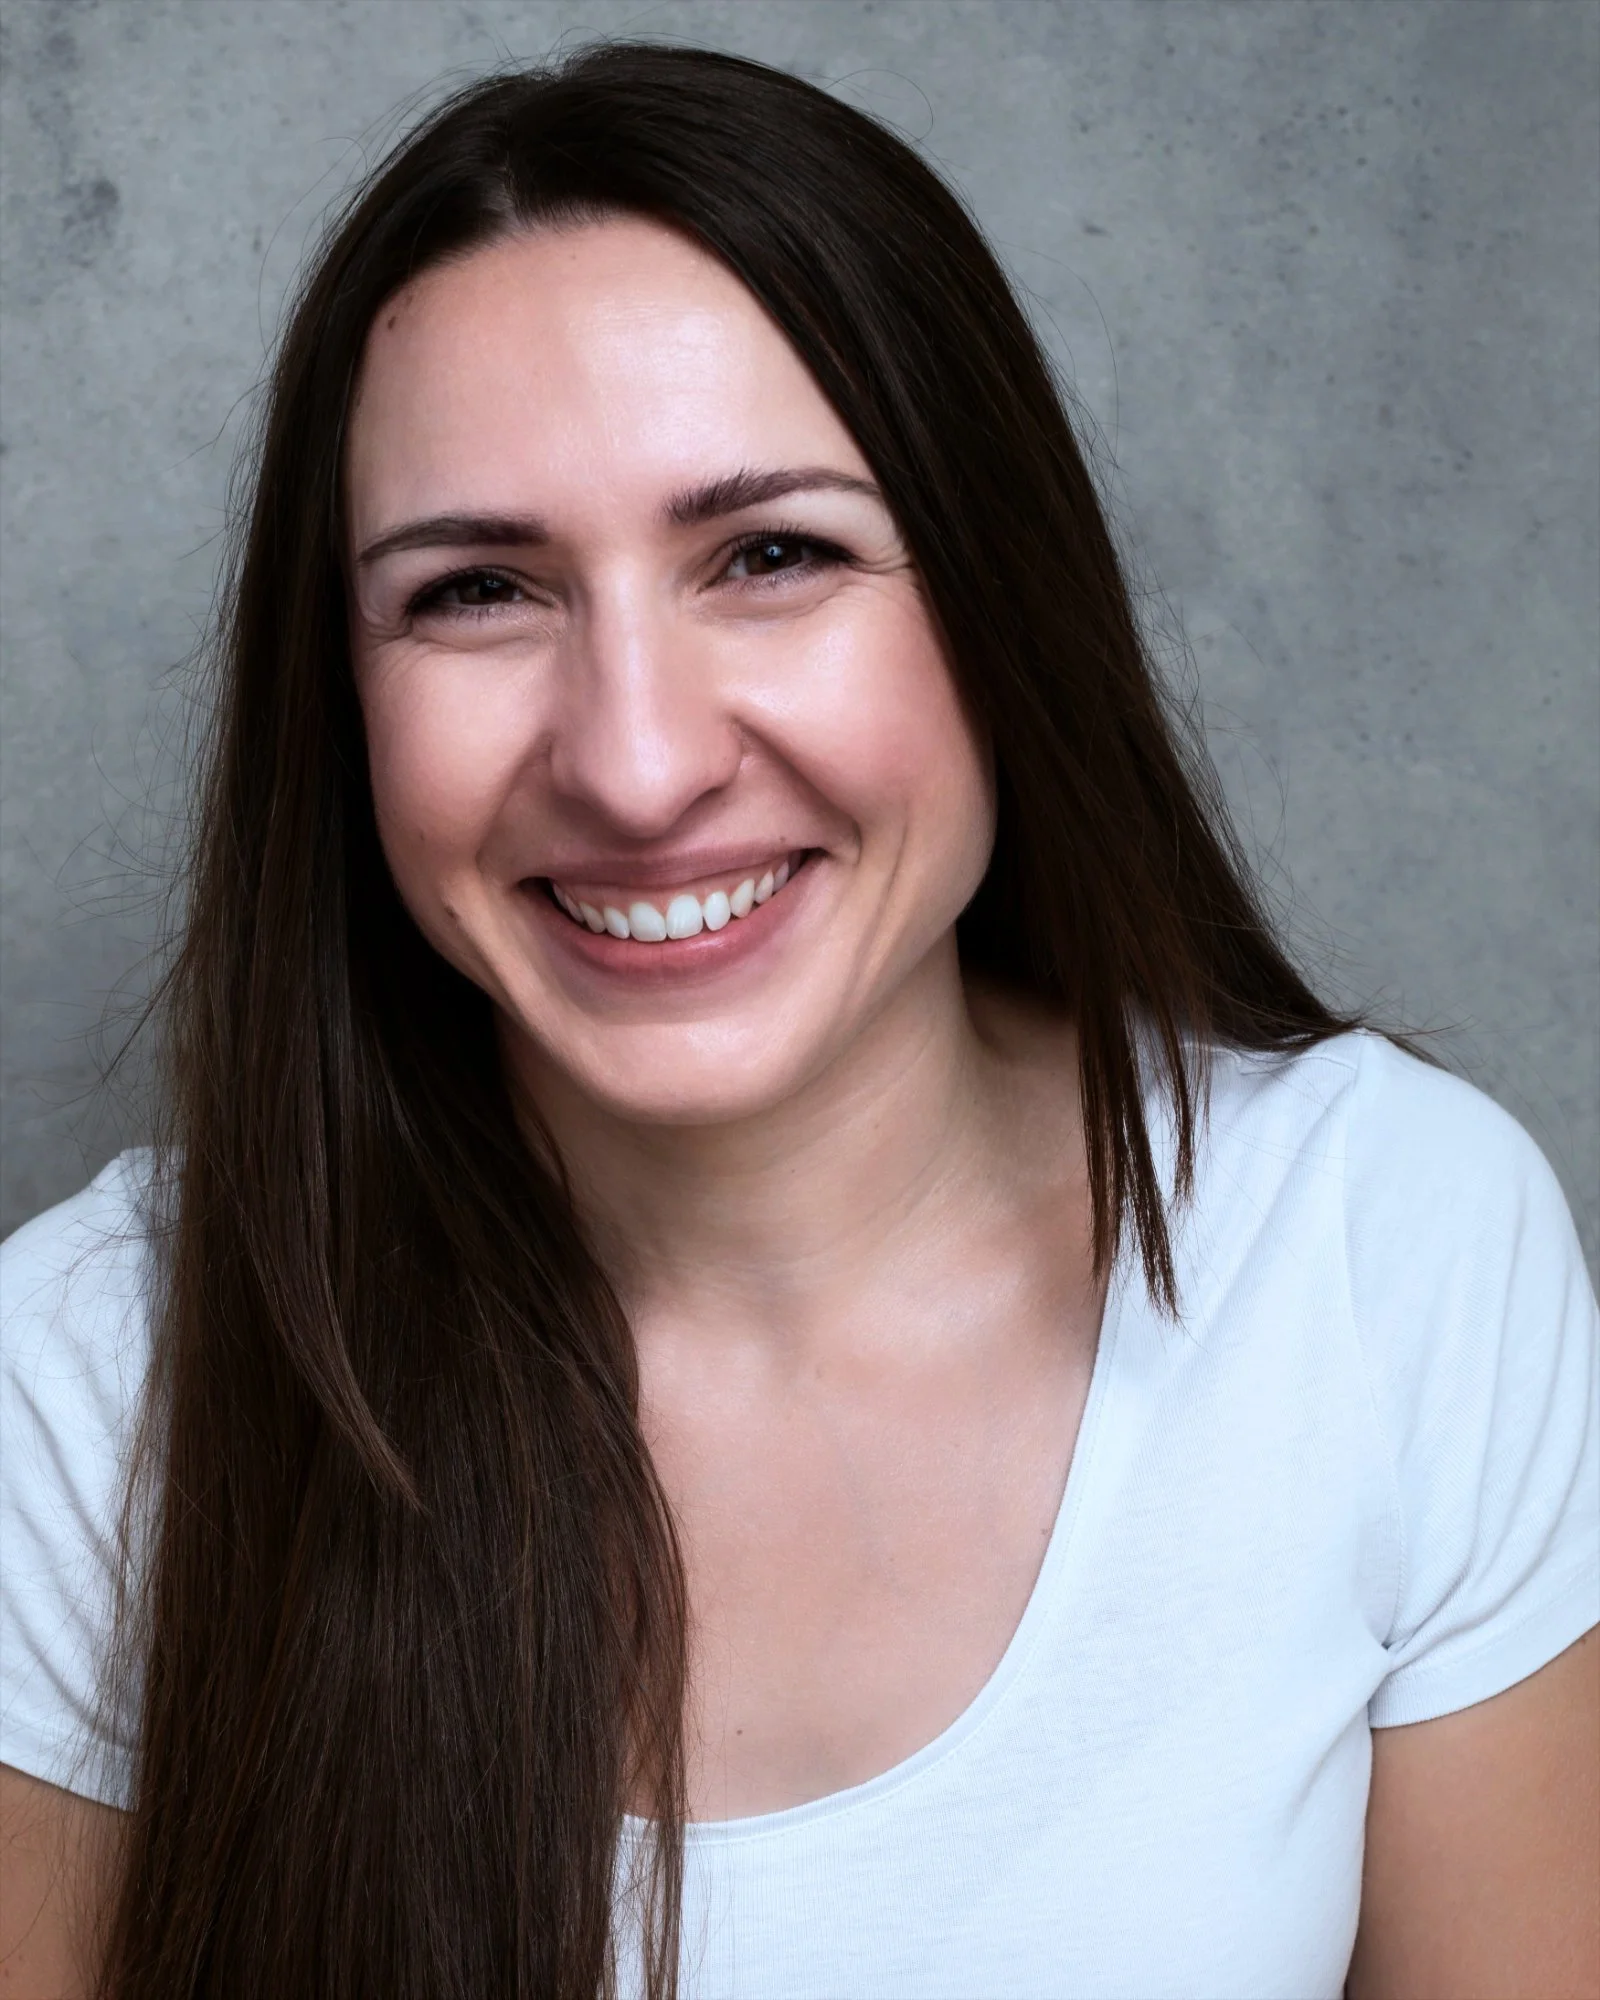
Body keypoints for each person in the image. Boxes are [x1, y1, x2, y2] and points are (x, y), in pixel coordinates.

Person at [1, 40, 1595, 2000]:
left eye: (772, 555)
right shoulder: (81, 1392)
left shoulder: (1389, 1251)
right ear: (340, 702)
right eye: (479, 588)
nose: (639, 763)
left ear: (1005, 610)